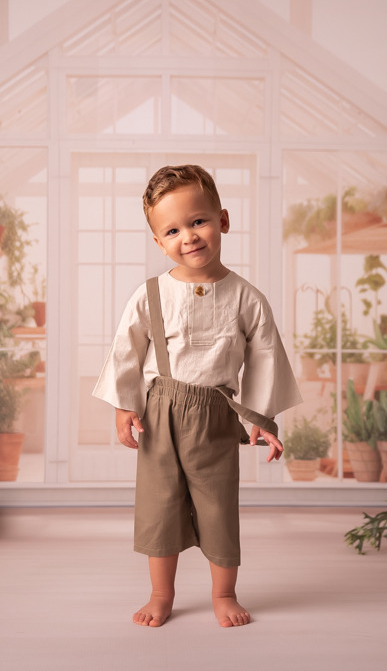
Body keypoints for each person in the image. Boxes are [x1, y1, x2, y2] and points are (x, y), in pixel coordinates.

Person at [92, 164, 302, 628]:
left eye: (198, 221)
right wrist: (125, 406)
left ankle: (224, 593)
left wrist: (262, 418)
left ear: (223, 220)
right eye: (172, 230)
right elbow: (126, 350)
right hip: (160, 410)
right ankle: (160, 594)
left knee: (218, 504)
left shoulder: (247, 298)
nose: (188, 236)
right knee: (159, 505)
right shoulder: (150, 294)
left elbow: (266, 356)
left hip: (215, 413)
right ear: (159, 242)